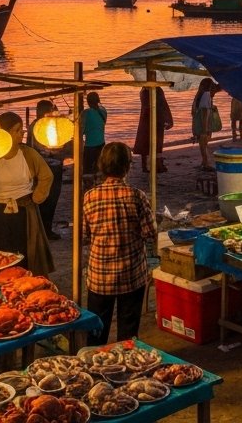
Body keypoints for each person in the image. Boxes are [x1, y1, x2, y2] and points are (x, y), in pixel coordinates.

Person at [82, 142, 156, 345]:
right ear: (127, 166)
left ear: (101, 166)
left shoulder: (89, 197)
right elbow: (150, 232)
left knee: (97, 330)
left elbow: (84, 235)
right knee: (128, 332)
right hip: (131, 274)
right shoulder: (136, 196)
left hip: (100, 276)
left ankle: (95, 368)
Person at [0, 112, 55, 273]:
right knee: (0, 256)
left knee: (25, 255)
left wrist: (37, 197)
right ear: (5, 134)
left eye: (22, 129)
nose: (21, 134)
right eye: (17, 130)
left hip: (25, 212)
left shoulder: (28, 154)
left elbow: (46, 176)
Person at [30, 100, 67, 240]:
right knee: (48, 199)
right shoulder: (43, 126)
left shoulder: (35, 124)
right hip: (48, 167)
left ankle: (44, 228)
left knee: (47, 200)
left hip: (45, 166)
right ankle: (45, 230)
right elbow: (47, 148)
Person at [132, 86, 173, 173]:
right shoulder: (153, 90)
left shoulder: (145, 90)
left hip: (147, 118)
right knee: (155, 143)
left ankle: (149, 165)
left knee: (147, 142)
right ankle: (156, 165)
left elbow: (160, 104)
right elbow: (163, 105)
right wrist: (168, 119)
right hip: (155, 118)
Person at [191, 79, 223, 171]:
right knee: (204, 144)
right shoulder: (206, 94)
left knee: (203, 144)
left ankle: (204, 162)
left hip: (200, 122)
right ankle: (206, 163)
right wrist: (205, 129)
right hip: (204, 123)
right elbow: (205, 111)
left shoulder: (200, 94)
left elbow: (200, 109)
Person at [81, 91, 108, 184]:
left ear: (88, 101)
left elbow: (82, 130)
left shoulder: (85, 113)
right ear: (98, 100)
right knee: (99, 166)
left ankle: (88, 186)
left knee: (87, 168)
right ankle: (98, 182)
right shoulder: (104, 111)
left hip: (90, 145)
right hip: (102, 143)